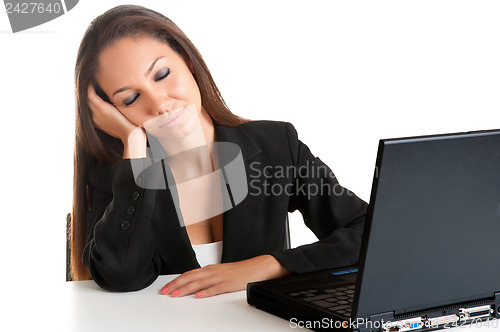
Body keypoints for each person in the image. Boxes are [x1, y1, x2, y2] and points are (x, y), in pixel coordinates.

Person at [71, 4, 367, 298]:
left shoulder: (276, 145)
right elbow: (121, 276)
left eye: (161, 74)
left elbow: (368, 230)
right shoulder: (120, 177)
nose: (160, 104)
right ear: (110, 110)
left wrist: (268, 266)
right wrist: (133, 142)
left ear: (186, 59)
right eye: (132, 98)